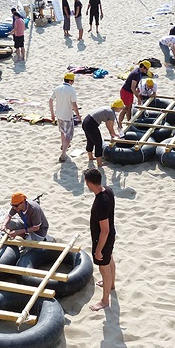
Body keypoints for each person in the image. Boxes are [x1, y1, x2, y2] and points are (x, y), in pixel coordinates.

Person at [84, 168, 115, 312]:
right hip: (110, 236)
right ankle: (111, 284)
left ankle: (104, 300)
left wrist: (98, 250)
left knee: (103, 267)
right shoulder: (108, 190)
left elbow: (105, 230)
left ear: (89, 183)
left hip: (103, 238)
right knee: (109, 260)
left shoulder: (100, 203)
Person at [49, 72, 81, 162]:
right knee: (69, 135)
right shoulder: (71, 90)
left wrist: (52, 114)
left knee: (62, 132)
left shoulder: (57, 88)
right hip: (67, 115)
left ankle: (63, 145)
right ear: (70, 81)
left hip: (59, 115)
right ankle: (63, 154)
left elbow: (50, 101)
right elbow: (74, 105)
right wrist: (78, 116)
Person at [82, 99, 124, 167]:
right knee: (98, 143)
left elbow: (107, 124)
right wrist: (114, 134)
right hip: (91, 124)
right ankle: (99, 163)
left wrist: (112, 134)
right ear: (117, 107)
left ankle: (90, 157)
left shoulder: (108, 109)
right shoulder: (111, 113)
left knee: (90, 140)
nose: (121, 109)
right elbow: (110, 126)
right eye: (121, 108)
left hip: (86, 121)